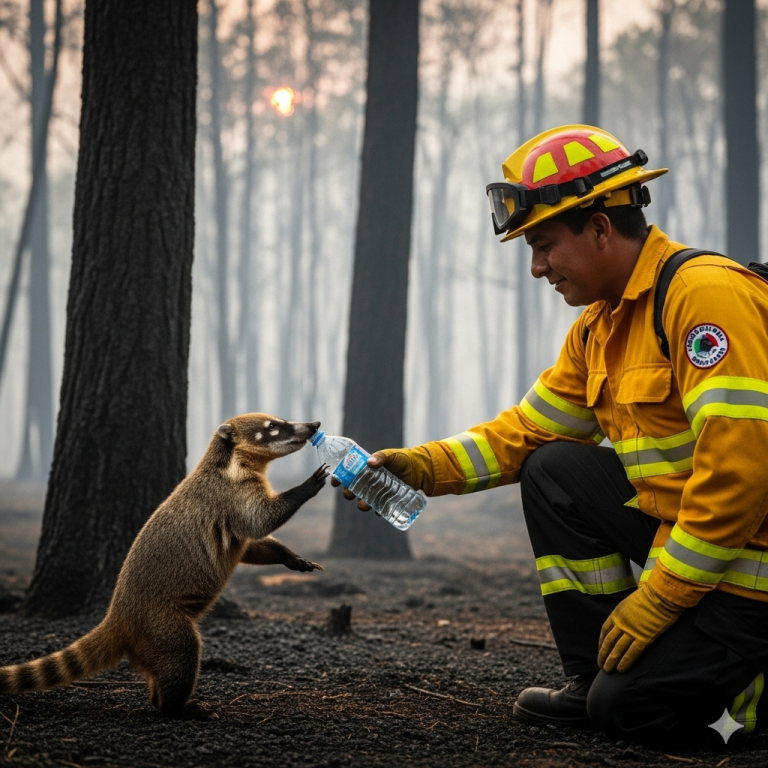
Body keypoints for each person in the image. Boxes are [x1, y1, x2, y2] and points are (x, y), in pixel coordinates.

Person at [336, 125, 768, 745]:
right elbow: (526, 432)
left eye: (543, 245)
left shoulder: (705, 297)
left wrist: (663, 598)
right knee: (554, 469)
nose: (537, 268)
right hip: (703, 550)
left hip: (752, 574)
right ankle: (593, 677)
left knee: (628, 712)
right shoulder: (601, 326)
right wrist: (420, 468)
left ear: (598, 227)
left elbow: (742, 471)